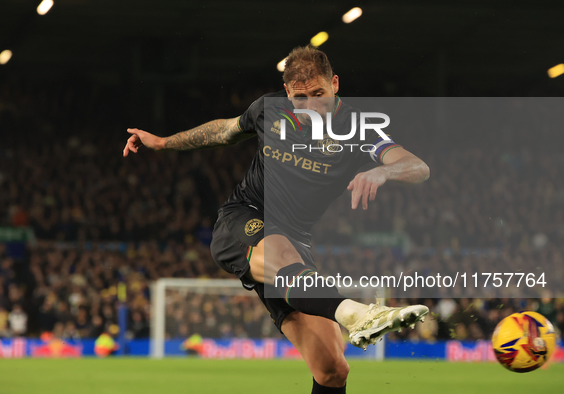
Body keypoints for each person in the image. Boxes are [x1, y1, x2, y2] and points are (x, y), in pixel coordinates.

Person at [123, 45, 430, 394]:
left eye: (319, 94)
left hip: (295, 246)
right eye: (301, 98)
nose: (312, 107)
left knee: (332, 369)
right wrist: (162, 142)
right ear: (287, 93)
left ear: (335, 84)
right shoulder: (269, 110)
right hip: (242, 221)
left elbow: (418, 166)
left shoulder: (358, 129)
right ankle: (356, 314)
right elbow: (225, 130)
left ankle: (349, 314)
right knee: (282, 250)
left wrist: (382, 173)